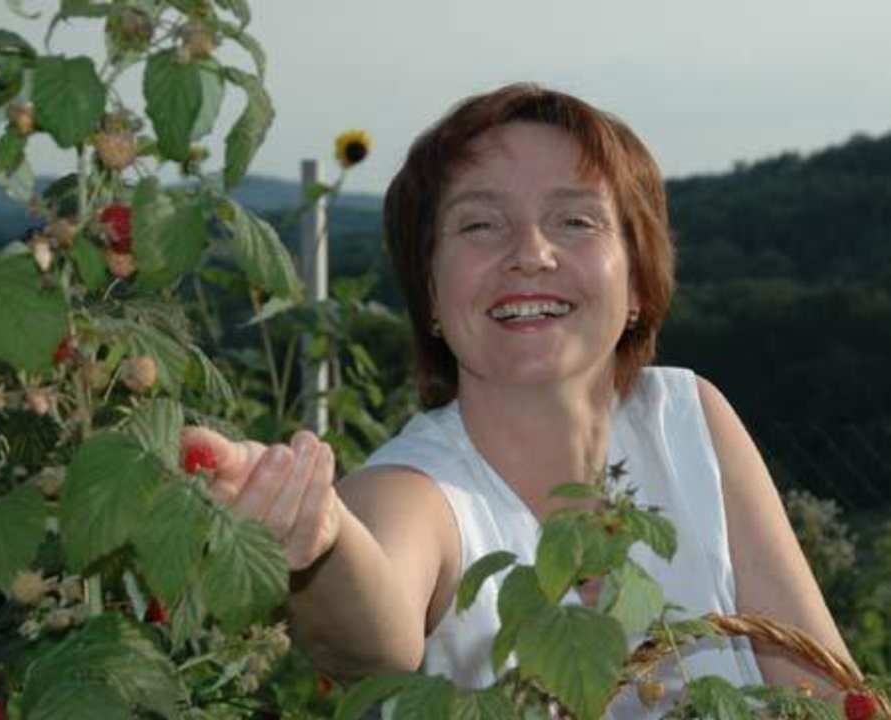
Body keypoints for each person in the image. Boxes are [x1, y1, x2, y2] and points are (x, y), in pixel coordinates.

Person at [182, 84, 854, 717]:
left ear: (639, 283)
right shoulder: (413, 491)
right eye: (480, 224)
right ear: (431, 294)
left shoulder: (687, 416)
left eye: (575, 220)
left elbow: (824, 689)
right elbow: (372, 637)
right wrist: (321, 540)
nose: (530, 253)